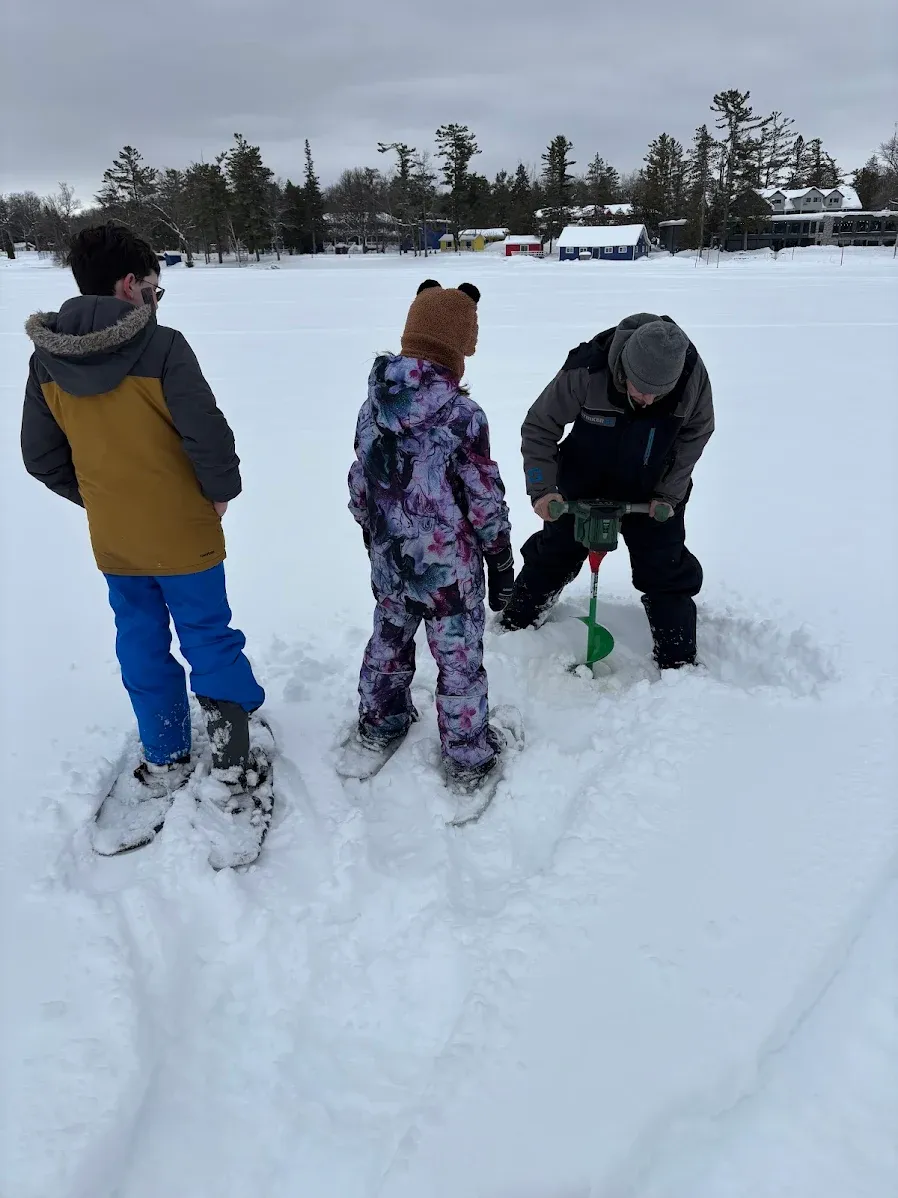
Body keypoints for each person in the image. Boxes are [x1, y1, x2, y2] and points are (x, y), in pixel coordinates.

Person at [21, 222, 267, 831]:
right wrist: (220, 493)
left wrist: (102, 500)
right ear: (130, 285)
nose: (157, 301)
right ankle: (233, 757)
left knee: (139, 638)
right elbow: (206, 433)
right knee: (208, 634)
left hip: (117, 539)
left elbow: (41, 457)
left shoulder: (46, 359)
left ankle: (164, 751)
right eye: (155, 289)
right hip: (186, 531)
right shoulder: (162, 347)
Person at [346, 280, 515, 792]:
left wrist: (369, 531)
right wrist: (502, 557)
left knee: (389, 641)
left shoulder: (373, 407)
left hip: (391, 559)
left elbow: (361, 478)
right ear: (460, 343)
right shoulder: (463, 416)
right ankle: (468, 755)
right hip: (449, 572)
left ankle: (381, 722)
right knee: (458, 658)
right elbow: (482, 496)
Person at [500, 313, 714, 670]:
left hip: (652, 488)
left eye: (657, 393)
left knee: (664, 565)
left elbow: (696, 435)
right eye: (640, 388)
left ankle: (678, 660)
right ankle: (514, 625)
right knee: (555, 553)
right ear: (624, 369)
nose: (647, 399)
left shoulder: (691, 379)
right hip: (583, 477)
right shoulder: (588, 369)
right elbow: (539, 425)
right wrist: (542, 489)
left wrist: (668, 496)